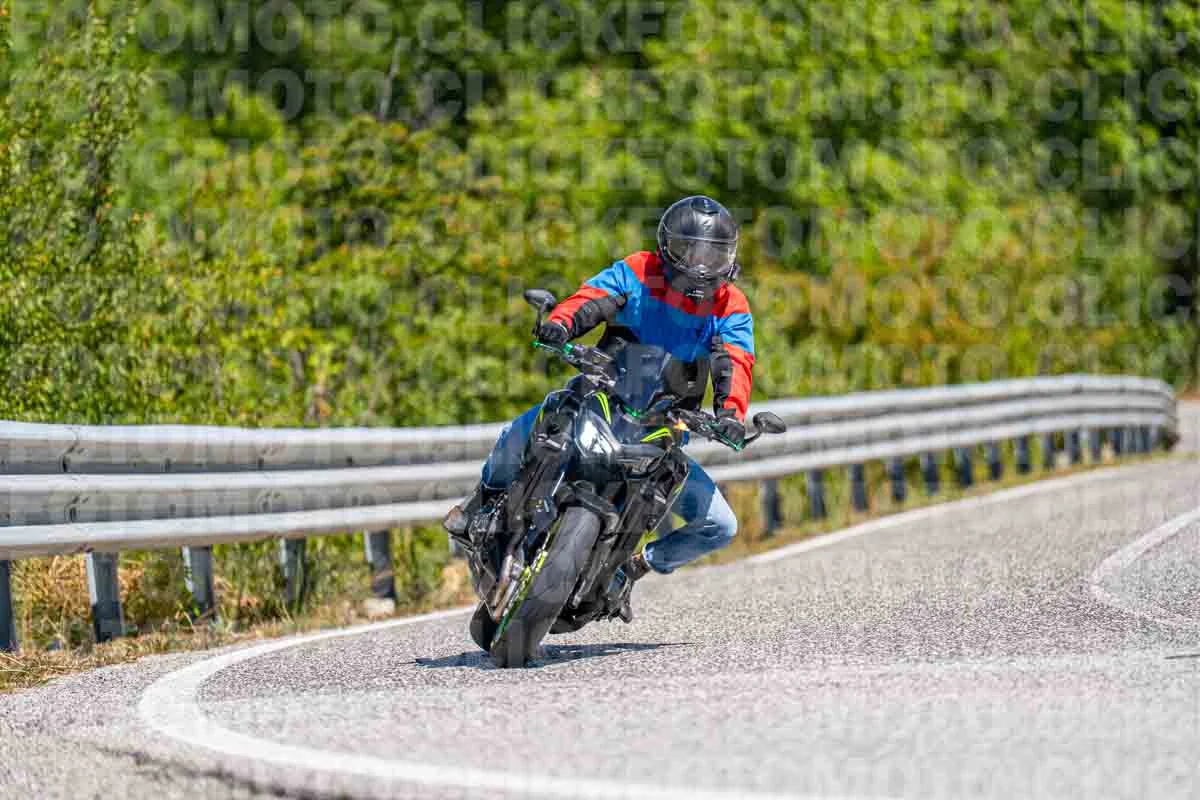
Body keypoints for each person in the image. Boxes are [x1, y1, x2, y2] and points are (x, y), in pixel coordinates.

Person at [445, 195, 755, 620]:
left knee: (721, 526)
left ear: (729, 257)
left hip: (663, 429)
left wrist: (731, 415)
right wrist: (559, 324)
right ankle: (481, 503)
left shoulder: (730, 303)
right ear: (667, 247)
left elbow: (735, 360)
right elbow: (594, 297)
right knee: (539, 419)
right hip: (601, 397)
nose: (700, 265)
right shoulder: (640, 269)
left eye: (712, 255)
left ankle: (632, 567)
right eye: (690, 251)